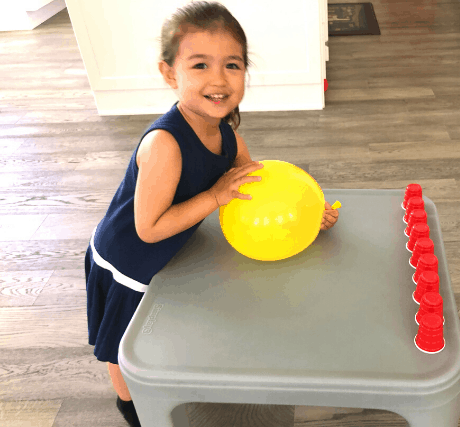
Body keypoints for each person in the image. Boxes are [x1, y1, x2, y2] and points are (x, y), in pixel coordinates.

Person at [84, 2, 339, 426]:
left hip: (173, 246)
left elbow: (253, 183)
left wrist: (308, 213)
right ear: (170, 73)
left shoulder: (226, 129)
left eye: (232, 65)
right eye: (200, 65)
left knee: (161, 327)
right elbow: (148, 229)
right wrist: (216, 197)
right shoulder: (164, 145)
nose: (219, 79)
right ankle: (131, 408)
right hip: (128, 261)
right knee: (123, 345)